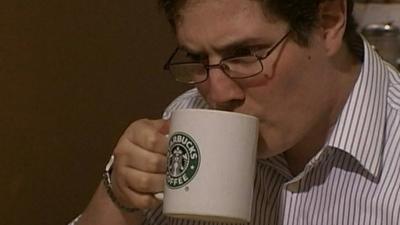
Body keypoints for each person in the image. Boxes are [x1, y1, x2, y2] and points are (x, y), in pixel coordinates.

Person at [70, 0, 400, 224]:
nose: (218, 94)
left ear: (327, 23)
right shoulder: (188, 116)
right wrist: (118, 198)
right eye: (198, 59)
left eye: (244, 55)